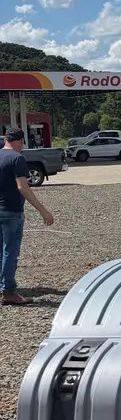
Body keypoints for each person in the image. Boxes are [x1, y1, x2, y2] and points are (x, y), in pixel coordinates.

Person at [0, 128, 54, 305]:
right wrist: (42, 210)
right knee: (10, 251)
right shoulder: (17, 158)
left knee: (1, 252)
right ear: (20, 141)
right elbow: (22, 187)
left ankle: (4, 286)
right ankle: (8, 292)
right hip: (11, 212)